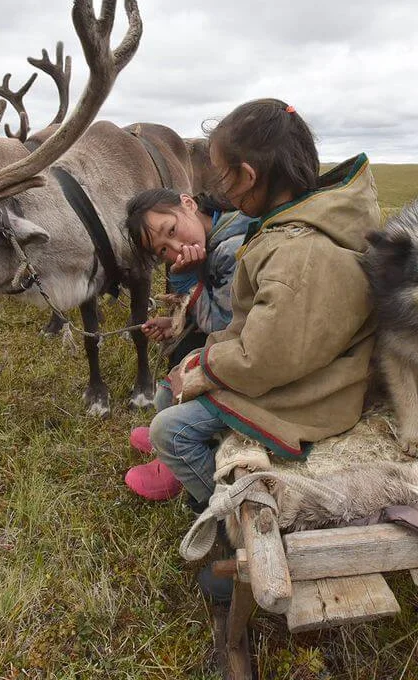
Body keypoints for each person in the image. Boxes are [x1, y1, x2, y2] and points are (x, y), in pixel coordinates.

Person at [138, 98, 380, 514]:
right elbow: (257, 326)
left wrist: (204, 367)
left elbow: (265, 358)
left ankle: (222, 518)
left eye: (224, 177)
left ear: (248, 177)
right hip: (300, 369)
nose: (222, 189)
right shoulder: (292, 228)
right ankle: (198, 468)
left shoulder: (296, 252)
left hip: (316, 393)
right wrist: (201, 358)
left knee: (169, 431)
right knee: (171, 388)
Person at [122, 189, 252, 500]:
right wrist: (174, 323)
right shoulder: (218, 235)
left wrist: (189, 282)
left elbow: (222, 322)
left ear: (188, 203)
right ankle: (171, 454)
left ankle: (190, 471)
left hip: (251, 358)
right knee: (169, 385)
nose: (176, 248)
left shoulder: (231, 248)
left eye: (171, 231)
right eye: (163, 250)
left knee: (173, 388)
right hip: (240, 346)